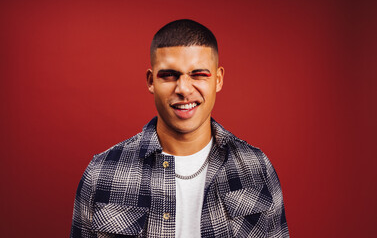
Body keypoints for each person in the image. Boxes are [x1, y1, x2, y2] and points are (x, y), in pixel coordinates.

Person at [71, 19, 289, 238]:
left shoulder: (257, 168)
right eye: (169, 75)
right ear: (150, 81)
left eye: (198, 74)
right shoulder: (101, 173)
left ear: (219, 80)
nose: (184, 89)